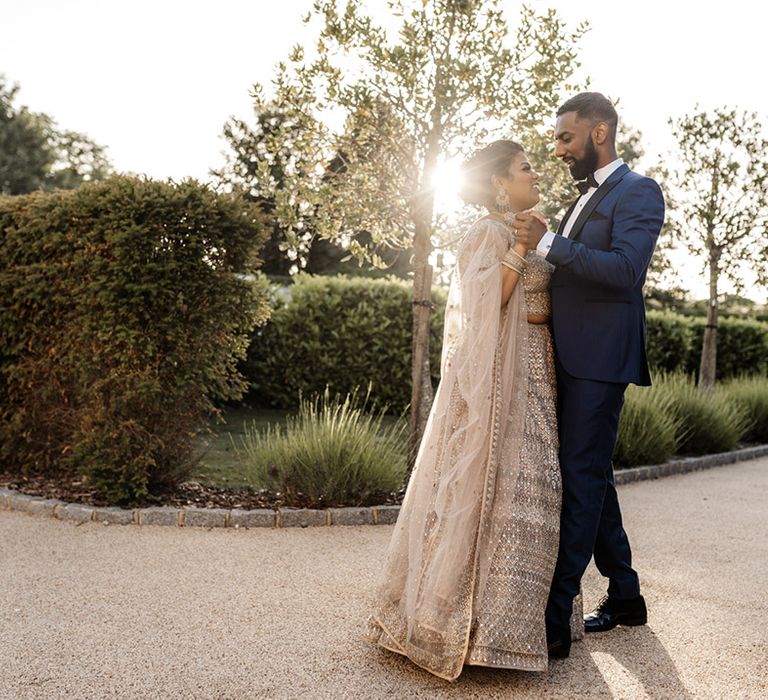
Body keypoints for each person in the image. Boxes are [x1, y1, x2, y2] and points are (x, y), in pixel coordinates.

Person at [365, 140, 583, 682]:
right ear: (497, 184)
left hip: (537, 367)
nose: (535, 174)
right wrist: (519, 246)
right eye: (525, 168)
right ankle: (467, 627)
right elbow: (485, 301)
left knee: (535, 489)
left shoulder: (531, 226)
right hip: (499, 376)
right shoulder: (488, 232)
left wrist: (541, 241)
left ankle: (518, 626)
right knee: (489, 486)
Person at [513, 92, 665, 659]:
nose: (558, 150)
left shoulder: (639, 192)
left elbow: (626, 271)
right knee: (593, 476)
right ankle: (626, 597)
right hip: (566, 354)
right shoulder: (581, 197)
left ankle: (553, 620)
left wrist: (550, 243)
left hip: (601, 359)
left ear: (599, 133)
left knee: (579, 478)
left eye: (565, 138)